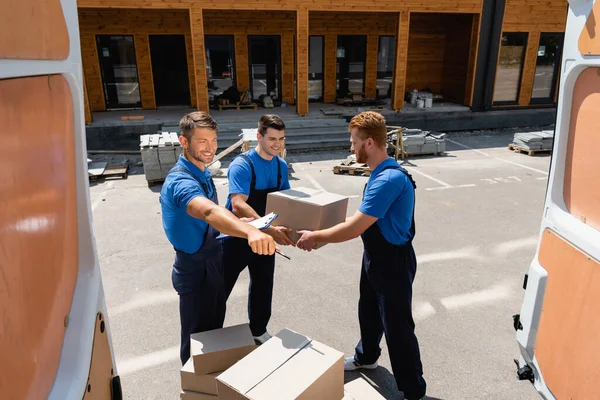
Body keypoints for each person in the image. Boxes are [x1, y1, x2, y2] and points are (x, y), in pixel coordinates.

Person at [296, 112, 427, 400]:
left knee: (397, 326)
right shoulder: (381, 172)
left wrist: (315, 237)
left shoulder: (388, 179)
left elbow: (354, 228)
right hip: (377, 257)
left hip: (393, 262)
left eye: (354, 142)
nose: (350, 148)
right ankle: (366, 356)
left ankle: (413, 390)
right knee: (368, 309)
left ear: (369, 142)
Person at [160, 111, 276, 365]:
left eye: (213, 140)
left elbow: (211, 224)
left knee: (214, 334)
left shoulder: (202, 172)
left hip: (214, 260)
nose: (210, 148)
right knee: (196, 344)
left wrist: (242, 223)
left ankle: (210, 385)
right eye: (202, 141)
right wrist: (250, 232)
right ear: (184, 141)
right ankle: (194, 390)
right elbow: (210, 211)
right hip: (194, 266)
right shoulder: (180, 181)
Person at [223, 114, 295, 344]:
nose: (277, 144)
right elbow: (238, 204)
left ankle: (258, 330)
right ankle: (210, 333)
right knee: (221, 287)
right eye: (272, 138)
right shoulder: (243, 165)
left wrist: (297, 229)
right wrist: (269, 227)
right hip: (236, 236)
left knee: (263, 283)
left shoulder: (281, 166)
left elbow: (286, 201)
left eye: (281, 139)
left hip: (265, 236)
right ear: (259, 137)